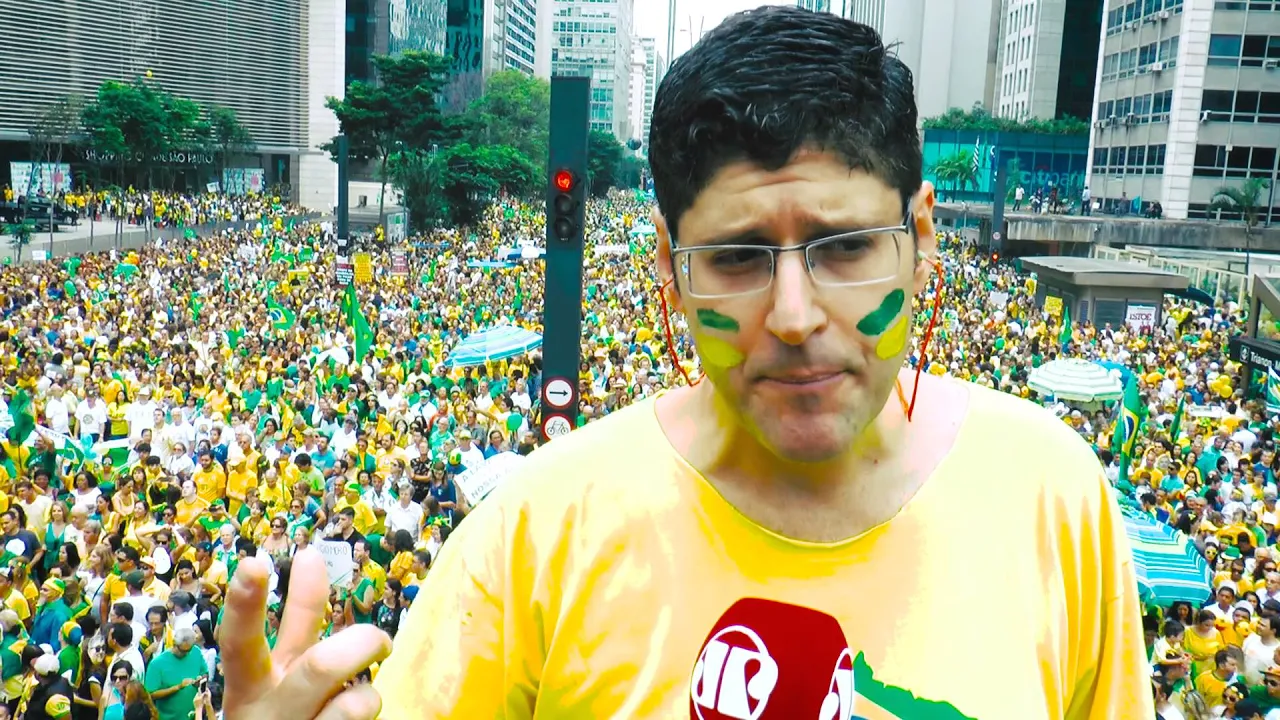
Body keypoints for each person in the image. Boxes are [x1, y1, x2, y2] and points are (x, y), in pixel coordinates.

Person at [219, 7, 1151, 720]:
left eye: (843, 248)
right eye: (738, 258)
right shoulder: (541, 533)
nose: (794, 316)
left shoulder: (1050, 494)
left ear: (921, 239)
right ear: (670, 271)